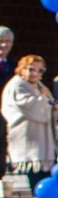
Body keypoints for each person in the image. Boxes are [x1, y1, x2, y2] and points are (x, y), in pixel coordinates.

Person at [3, 53, 56, 188]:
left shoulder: (39, 86)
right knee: (30, 176)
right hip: (26, 139)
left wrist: (54, 105)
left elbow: (50, 102)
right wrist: (45, 100)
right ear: (22, 69)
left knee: (42, 178)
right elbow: (29, 106)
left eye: (40, 70)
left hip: (41, 141)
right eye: (31, 69)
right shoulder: (17, 85)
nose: (35, 73)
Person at [0, 26, 15, 177]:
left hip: (8, 111)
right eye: (1, 41)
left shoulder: (15, 64)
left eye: (7, 41)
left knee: (4, 142)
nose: (4, 45)